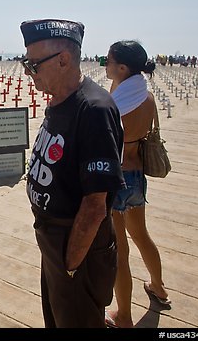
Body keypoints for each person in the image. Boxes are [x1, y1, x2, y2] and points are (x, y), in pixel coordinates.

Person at [19, 19, 125, 328]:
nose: (29, 71)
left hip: (76, 246)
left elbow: (94, 207)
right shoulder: (59, 98)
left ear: (63, 60)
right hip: (54, 241)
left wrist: (70, 267)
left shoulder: (94, 110)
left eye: (33, 64)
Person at [103, 40, 171, 328]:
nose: (104, 64)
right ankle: (158, 287)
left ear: (121, 67)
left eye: (108, 60)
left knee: (120, 248)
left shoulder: (116, 99)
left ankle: (124, 316)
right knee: (141, 235)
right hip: (137, 175)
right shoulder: (147, 97)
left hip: (117, 176)